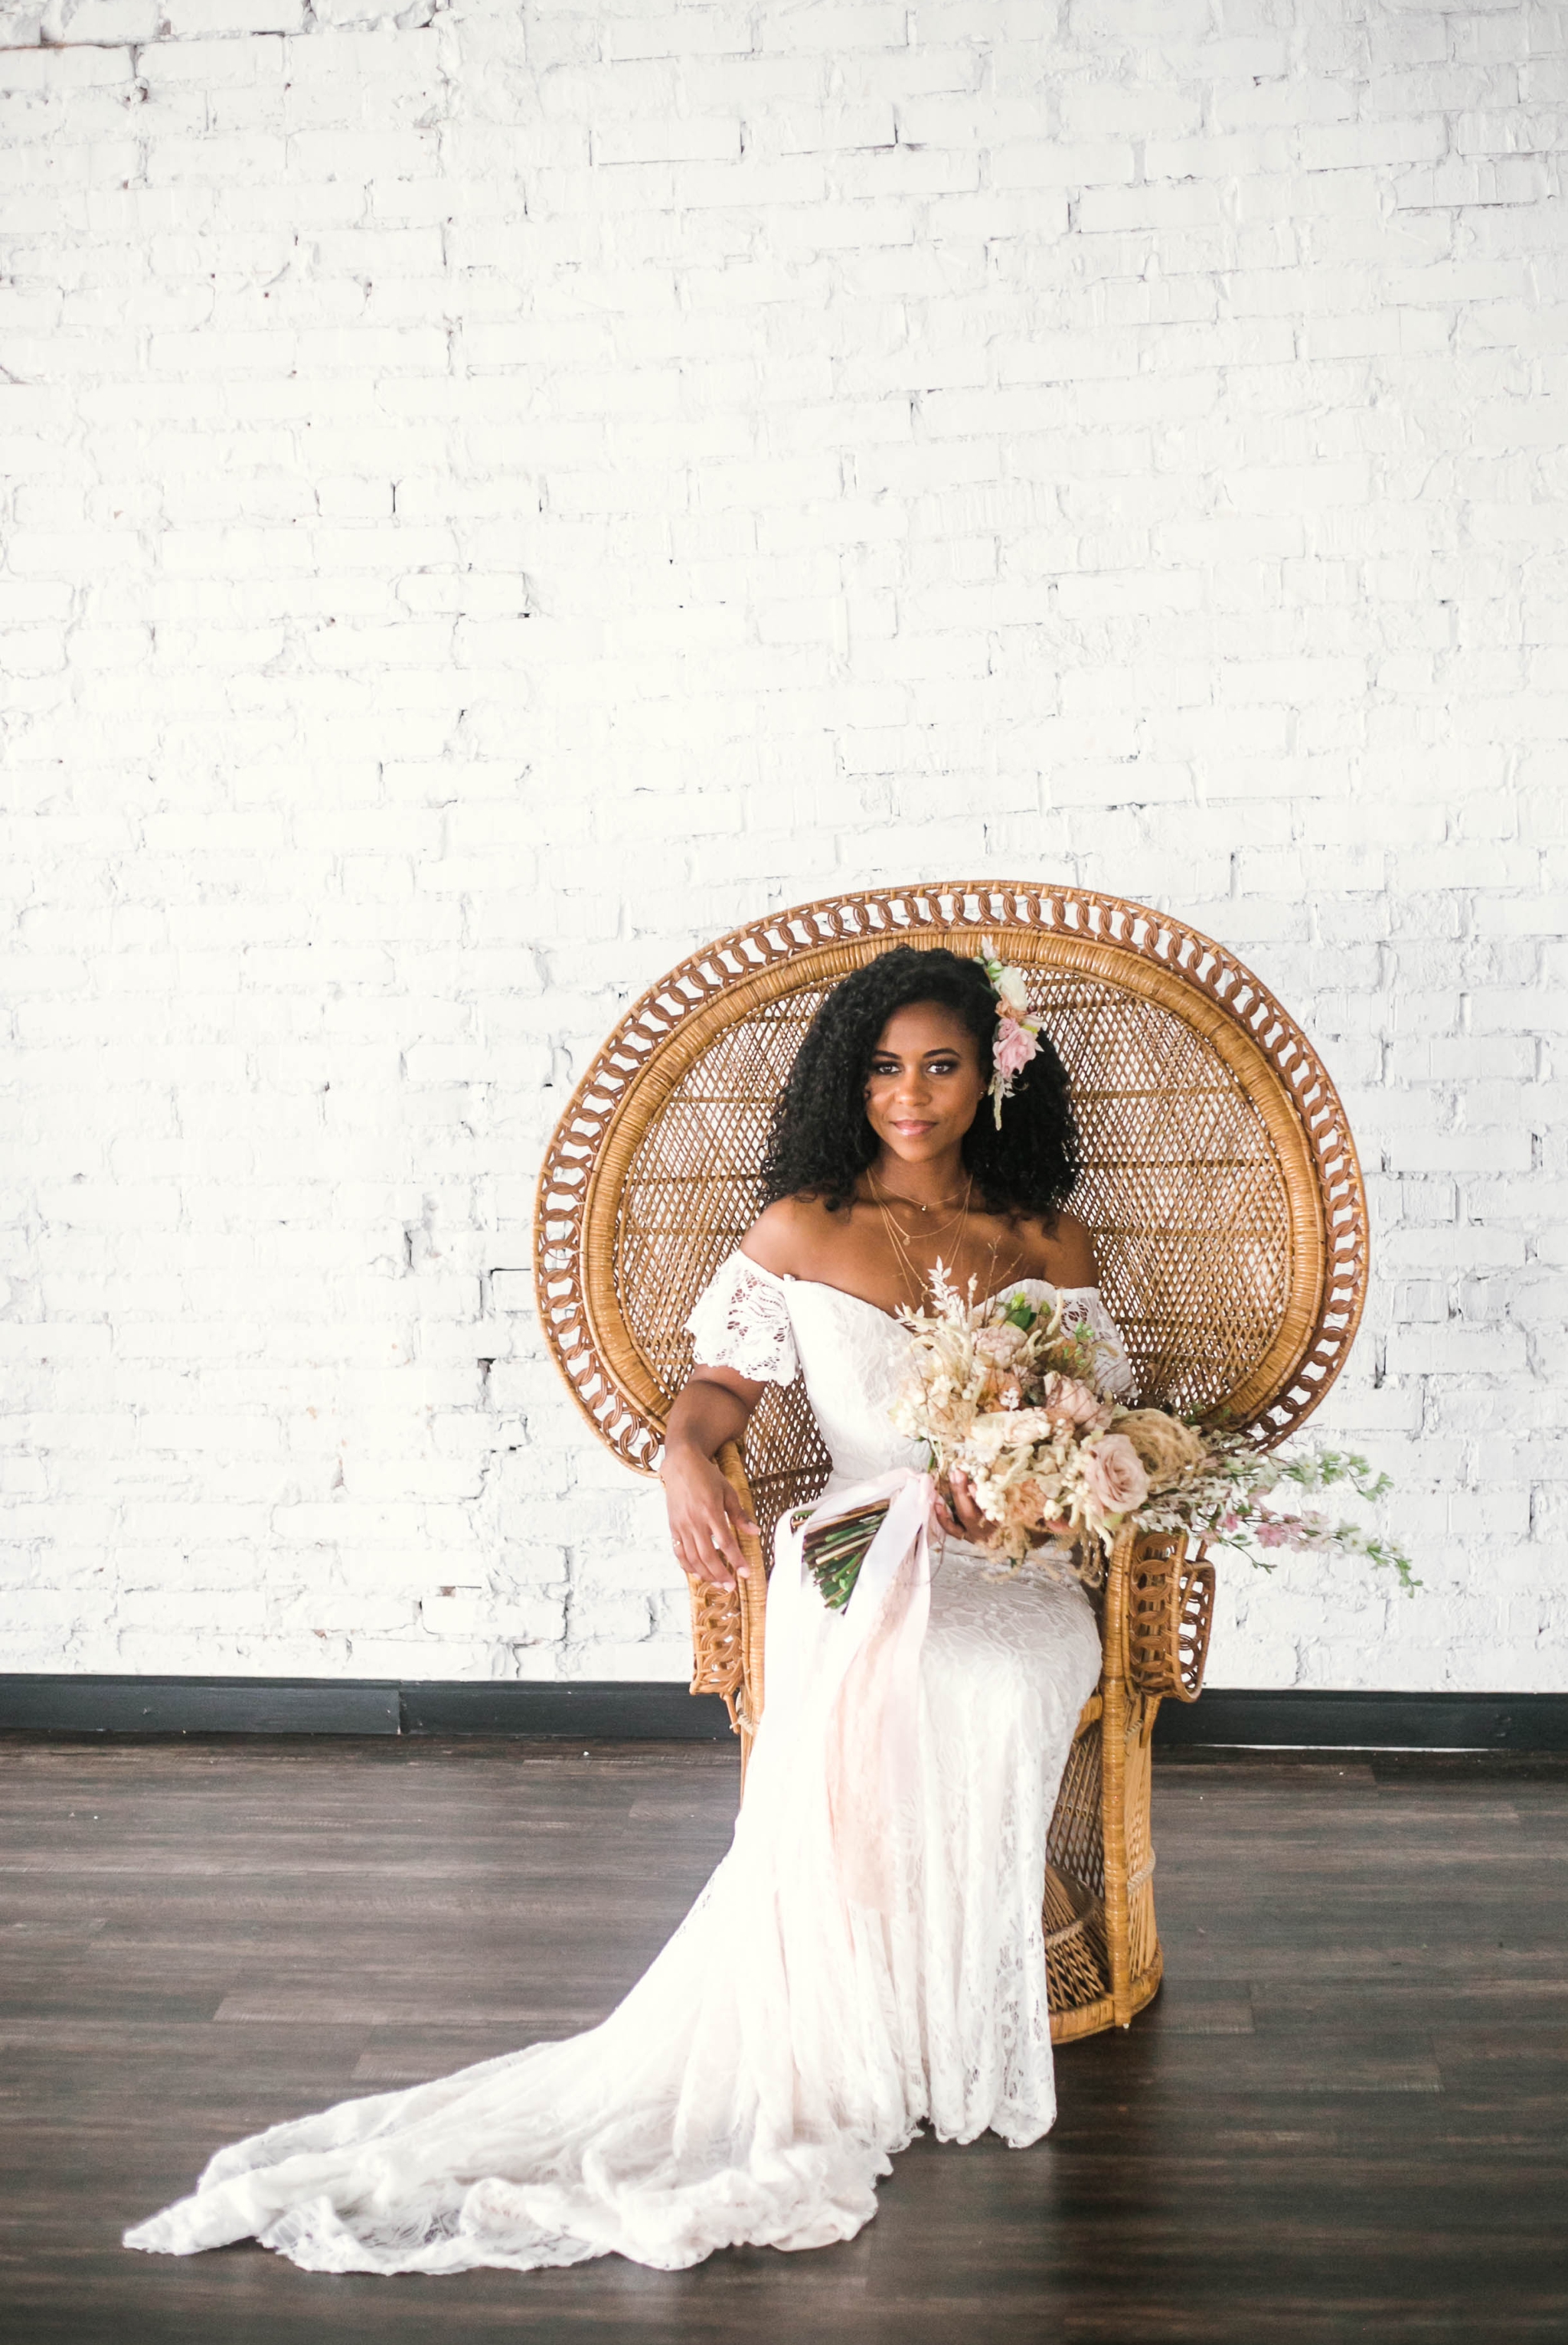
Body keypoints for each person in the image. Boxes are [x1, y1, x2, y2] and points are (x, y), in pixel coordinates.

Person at [122, 945, 1134, 2275]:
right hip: (850, 1540)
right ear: (849, 1077)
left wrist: (1038, 1490)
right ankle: (874, 1993)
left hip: (1008, 1549)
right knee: (894, 1659)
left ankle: (952, 1988)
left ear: (993, 1074)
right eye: (884, 1066)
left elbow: (1094, 1410)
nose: (911, 1094)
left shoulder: (1044, 1238)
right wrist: (679, 1457)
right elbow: (721, 1391)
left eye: (942, 1064)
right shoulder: (802, 1228)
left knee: (1006, 1678)